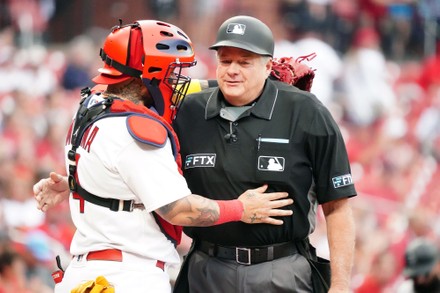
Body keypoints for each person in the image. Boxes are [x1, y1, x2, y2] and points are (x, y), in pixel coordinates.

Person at [34, 19, 294, 293]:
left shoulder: (92, 105)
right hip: (127, 278)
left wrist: (75, 182)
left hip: (87, 273)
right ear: (149, 76)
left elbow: (114, 170)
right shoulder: (134, 129)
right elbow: (177, 210)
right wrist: (241, 208)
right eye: (171, 72)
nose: (177, 80)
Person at [172, 15, 357, 293]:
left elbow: (338, 205)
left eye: (244, 62)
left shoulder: (305, 111)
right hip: (206, 269)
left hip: (281, 269)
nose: (232, 70)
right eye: (225, 61)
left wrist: (340, 284)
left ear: (268, 65)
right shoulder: (188, 111)